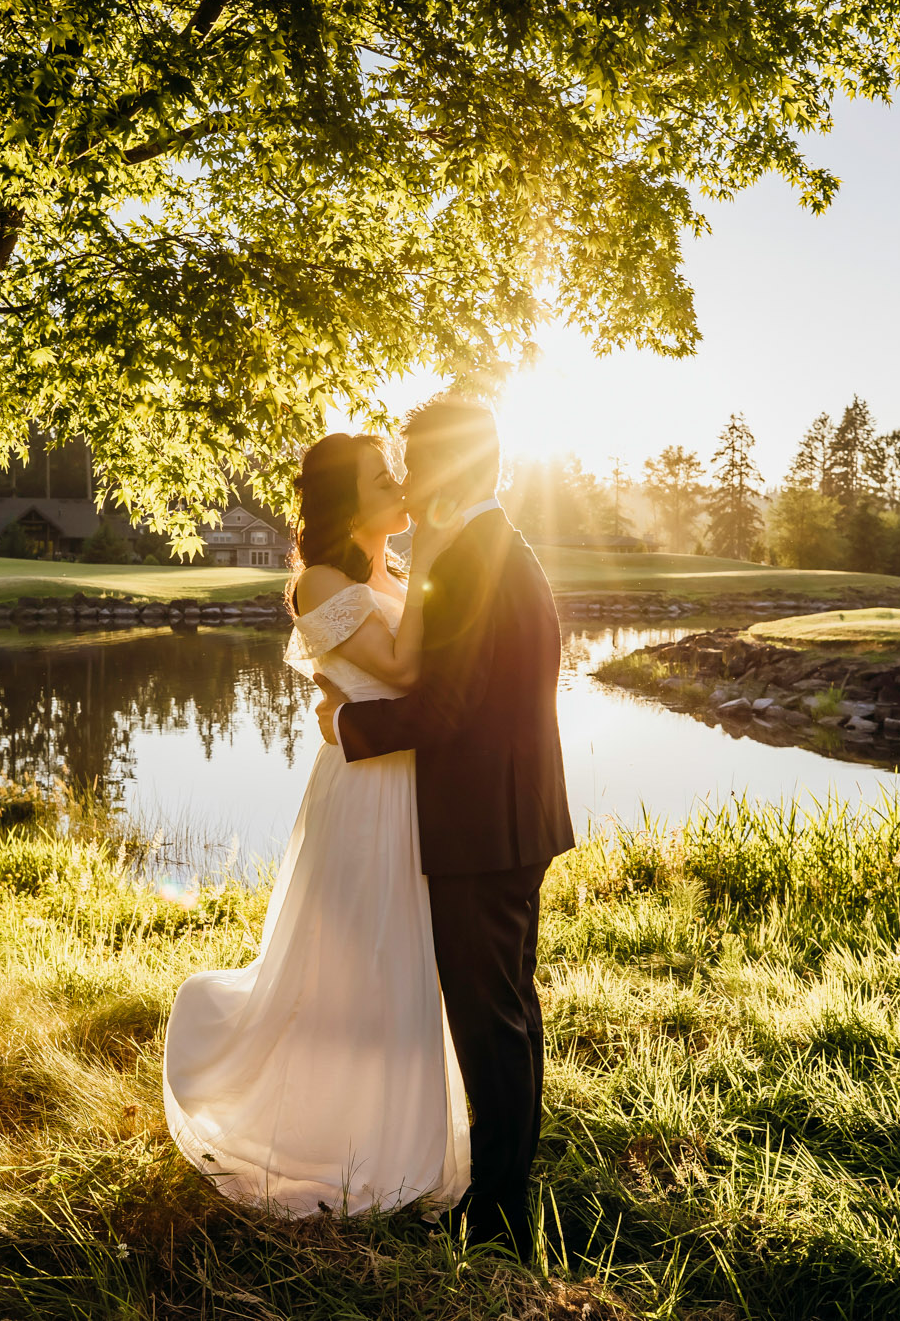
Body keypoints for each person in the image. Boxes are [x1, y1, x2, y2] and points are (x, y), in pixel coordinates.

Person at [161, 428, 472, 1218]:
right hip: (365, 790)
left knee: (404, 958)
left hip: (407, 776)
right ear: (344, 499)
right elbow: (401, 670)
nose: (400, 485)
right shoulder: (322, 579)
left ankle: (401, 1139)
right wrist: (435, 548)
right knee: (355, 963)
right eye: (380, 478)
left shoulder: (383, 570)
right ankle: (327, 1140)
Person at [316, 396, 574, 1258]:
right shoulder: (496, 546)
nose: (409, 479)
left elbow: (449, 705)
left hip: (482, 820)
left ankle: (498, 1215)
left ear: (452, 469)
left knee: (487, 1016)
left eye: (417, 463)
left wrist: (348, 728)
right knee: (508, 1009)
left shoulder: (469, 559)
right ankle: (507, 1189)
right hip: (513, 810)